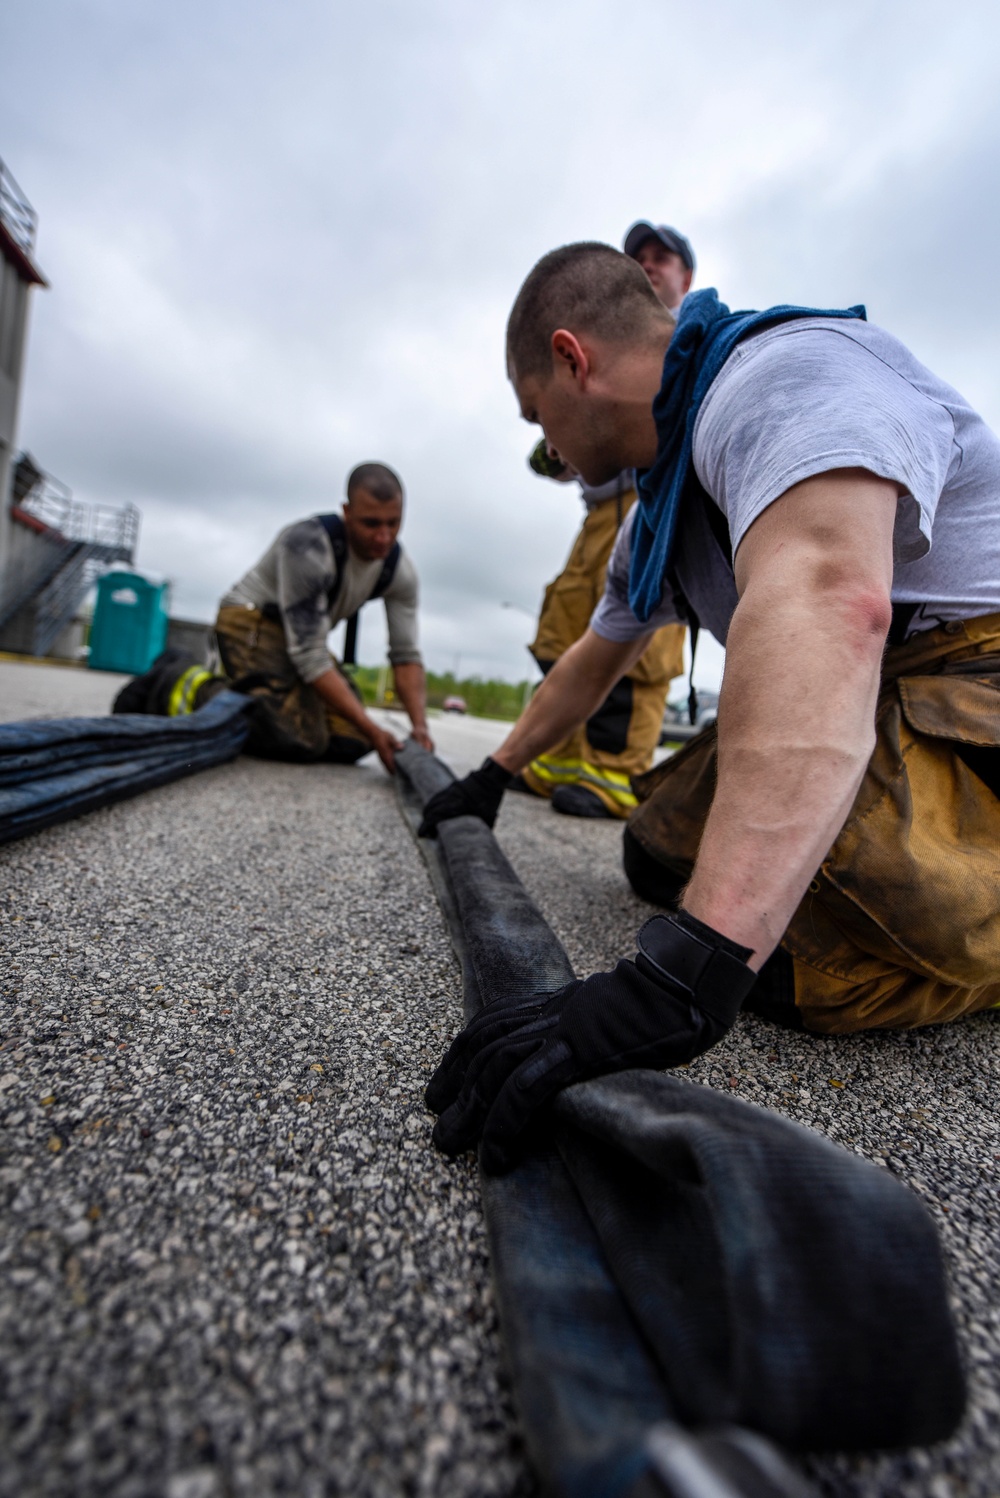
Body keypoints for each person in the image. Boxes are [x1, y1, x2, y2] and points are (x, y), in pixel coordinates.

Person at [420, 242, 1000, 1174]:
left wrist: (685, 971)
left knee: (788, 953)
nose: (554, 455)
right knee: (658, 851)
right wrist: (492, 776)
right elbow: (590, 664)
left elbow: (830, 595)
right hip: (888, 691)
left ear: (575, 359)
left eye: (540, 418)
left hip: (977, 683)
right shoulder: (660, 511)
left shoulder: (778, 378)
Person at [519, 222, 694, 818]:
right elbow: (557, 455)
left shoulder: (692, 342)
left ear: (685, 277)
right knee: (564, 627)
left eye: (661, 257)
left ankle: (614, 775)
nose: (648, 264)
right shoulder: (595, 351)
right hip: (597, 514)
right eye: (637, 256)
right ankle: (555, 761)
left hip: (655, 505)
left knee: (638, 641)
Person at [116, 462, 431, 771]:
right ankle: (176, 679)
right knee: (296, 738)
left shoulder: (398, 570)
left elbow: (405, 657)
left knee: (353, 739)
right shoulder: (308, 545)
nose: (384, 538)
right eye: (371, 523)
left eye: (394, 523)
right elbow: (309, 657)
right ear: (347, 513)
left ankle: (260, 695)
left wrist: (419, 728)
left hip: (300, 639)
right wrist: (375, 729)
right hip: (251, 622)